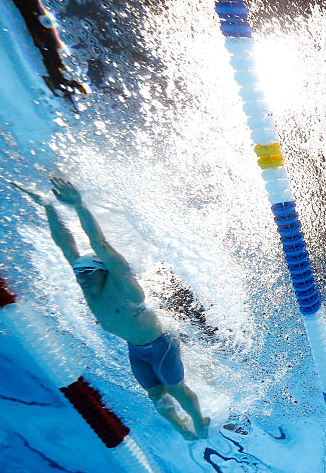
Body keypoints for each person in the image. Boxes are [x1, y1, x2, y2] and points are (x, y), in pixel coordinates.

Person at [15, 176, 209, 440]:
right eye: (78, 272)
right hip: (136, 350)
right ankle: (180, 426)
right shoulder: (88, 285)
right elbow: (64, 243)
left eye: (86, 272)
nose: (80, 276)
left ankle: (199, 421)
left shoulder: (120, 282)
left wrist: (78, 205)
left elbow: (100, 243)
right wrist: (49, 207)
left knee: (175, 389)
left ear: (102, 270)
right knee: (154, 394)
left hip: (160, 343)